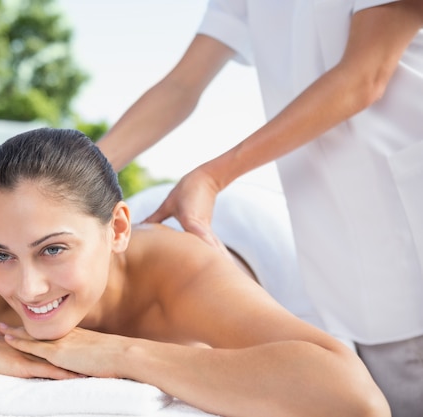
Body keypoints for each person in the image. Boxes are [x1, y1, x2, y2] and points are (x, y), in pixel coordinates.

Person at [0, 128, 387, 417]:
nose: (26, 288)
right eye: (1, 252)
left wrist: (117, 353)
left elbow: (354, 398)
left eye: (53, 250)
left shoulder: (183, 274)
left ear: (118, 231)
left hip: (251, 238)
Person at [96, 2, 423, 415]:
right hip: (352, 273)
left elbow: (365, 76)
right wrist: (69, 175)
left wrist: (214, 176)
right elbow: (182, 84)